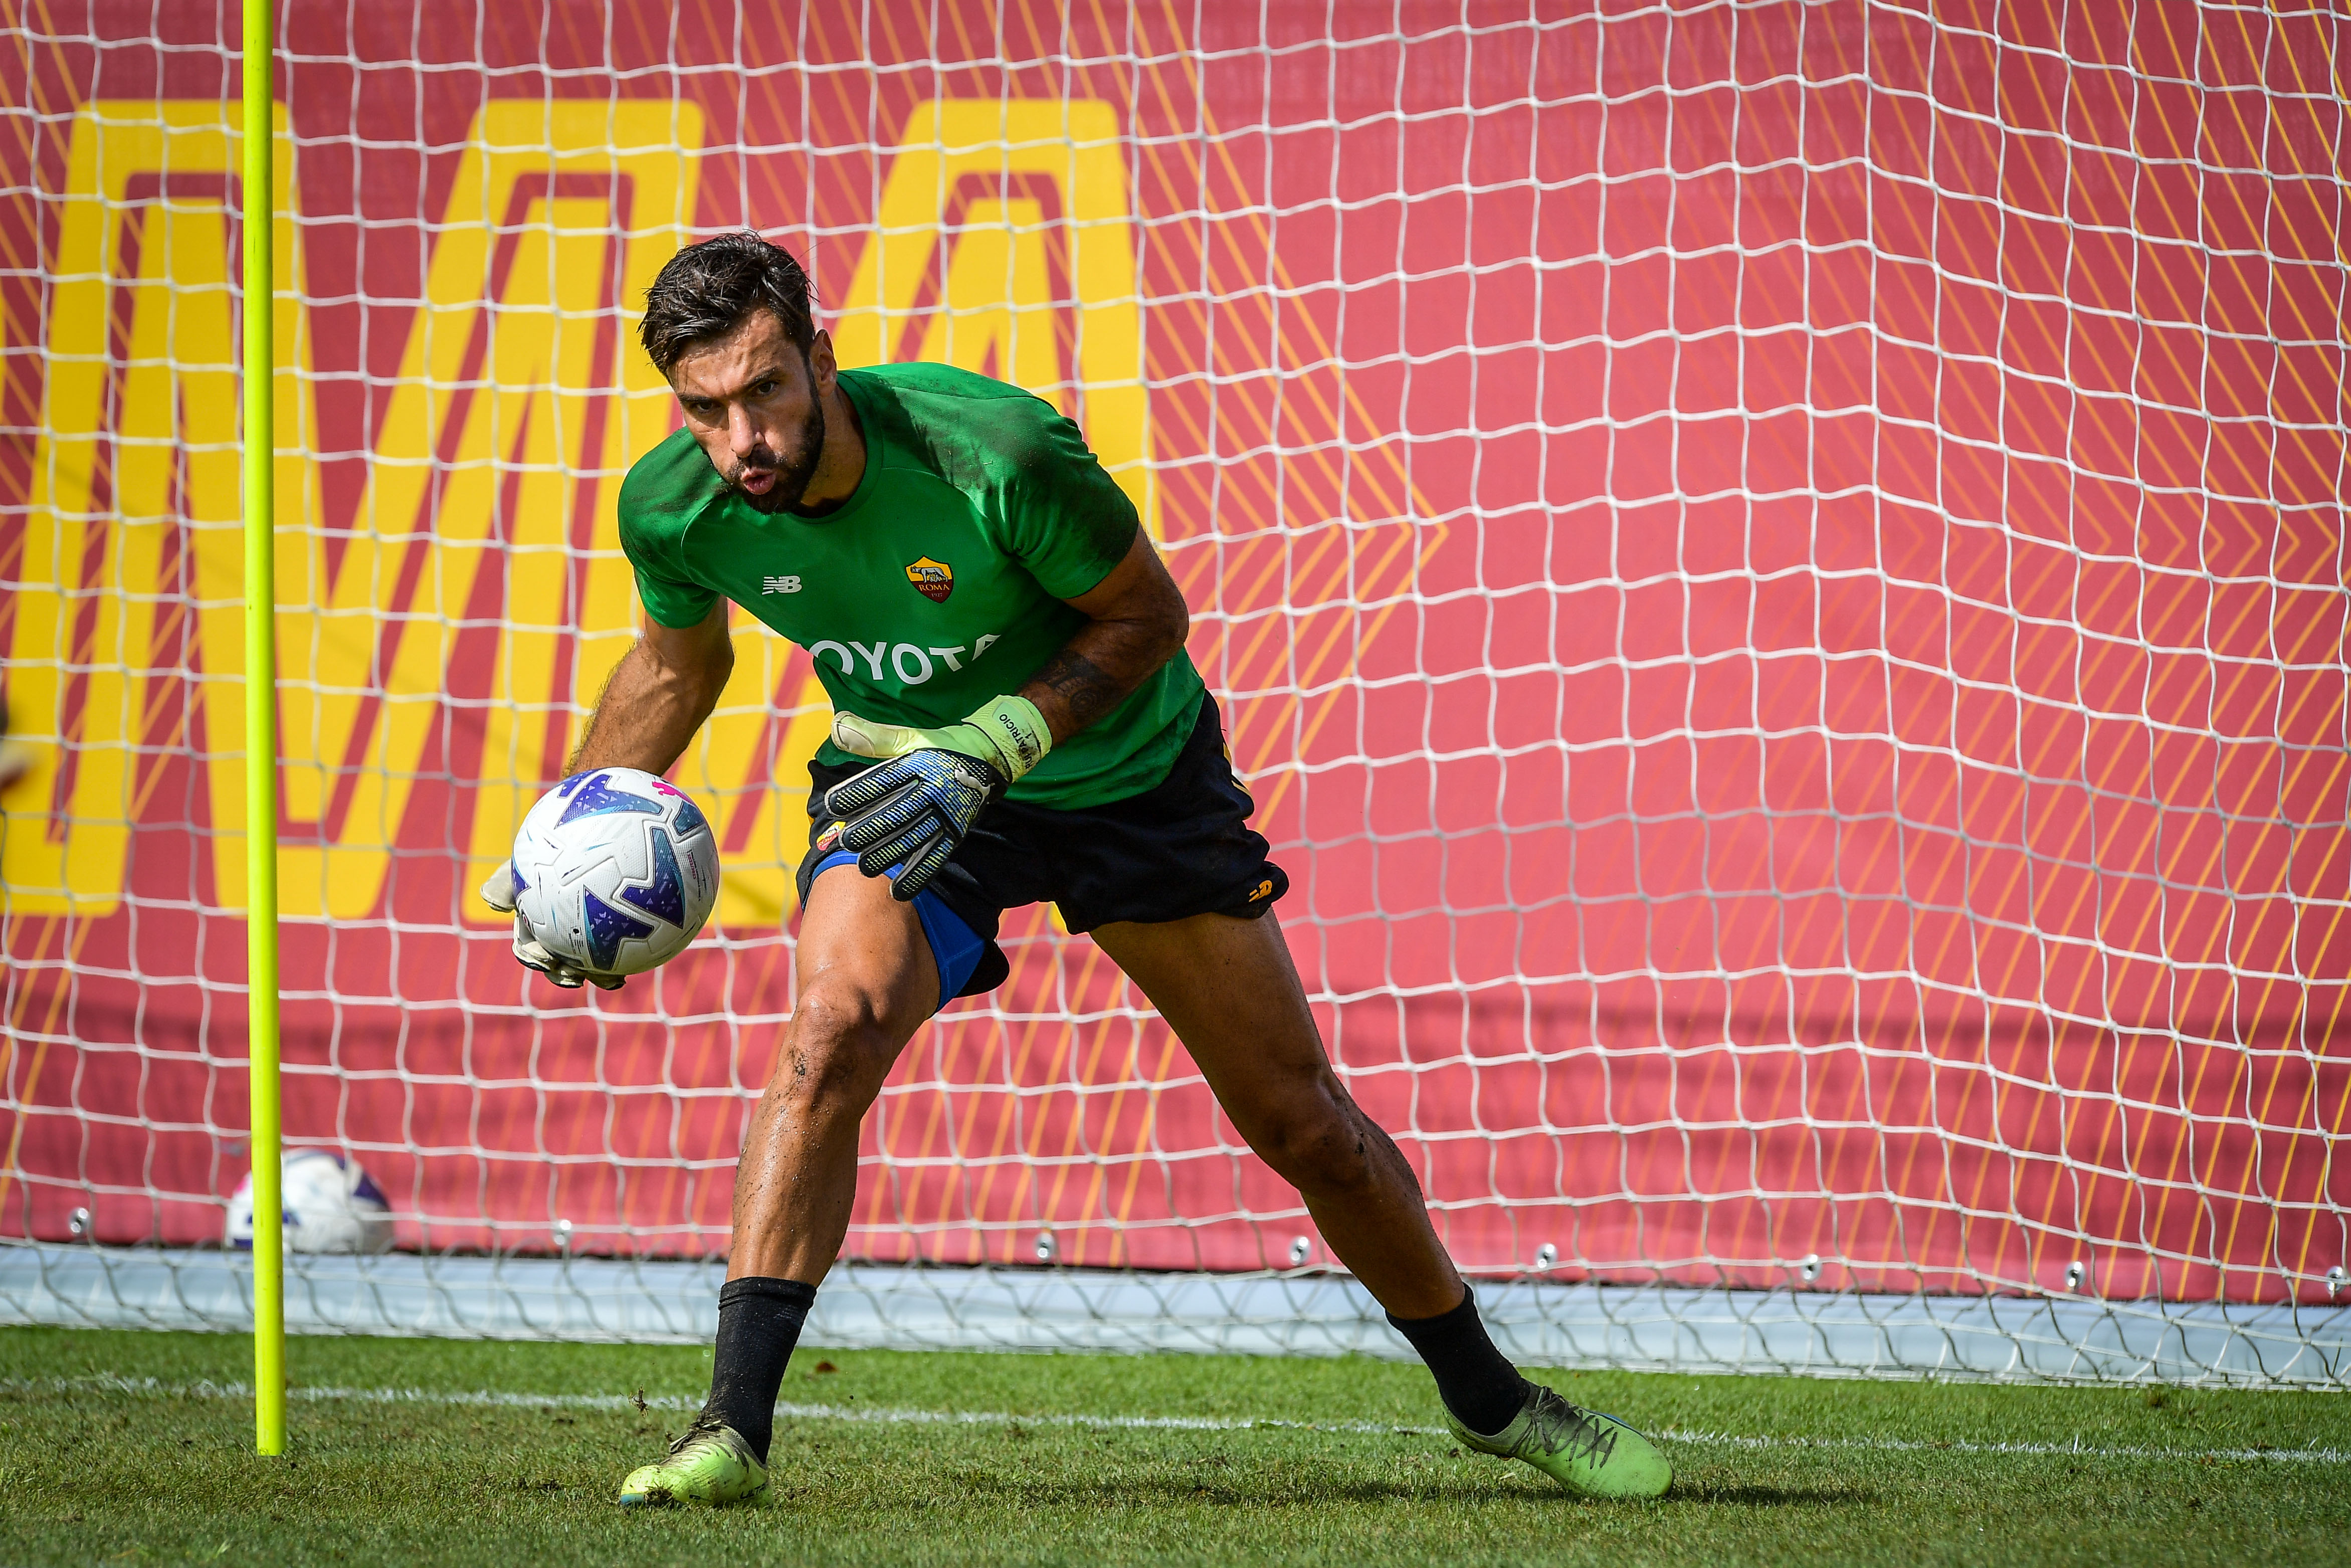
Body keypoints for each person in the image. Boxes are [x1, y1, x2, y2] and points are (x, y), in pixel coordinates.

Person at [480, 231, 1672, 1507]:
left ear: (821, 361)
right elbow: (677, 665)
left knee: (1301, 1124)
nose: (743, 440)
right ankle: (730, 1434)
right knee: (827, 1033)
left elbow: (1150, 617)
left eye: (765, 390)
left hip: (1123, 779)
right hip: (905, 788)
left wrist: (992, 747)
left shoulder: (994, 452)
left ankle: (1491, 1399)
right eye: (706, 409)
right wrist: (558, 831)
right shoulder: (677, 505)